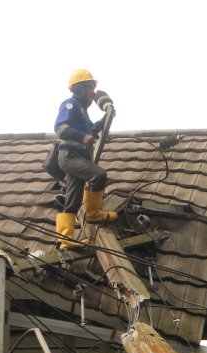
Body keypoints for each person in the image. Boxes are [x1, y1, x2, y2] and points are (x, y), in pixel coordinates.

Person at [52, 69, 117, 249]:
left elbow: (91, 130)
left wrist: (106, 118)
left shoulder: (82, 112)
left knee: (72, 199)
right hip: (70, 156)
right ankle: (93, 214)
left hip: (77, 157)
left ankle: (65, 240)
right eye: (90, 87)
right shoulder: (70, 105)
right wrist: (82, 137)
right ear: (79, 88)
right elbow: (61, 128)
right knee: (99, 175)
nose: (92, 92)